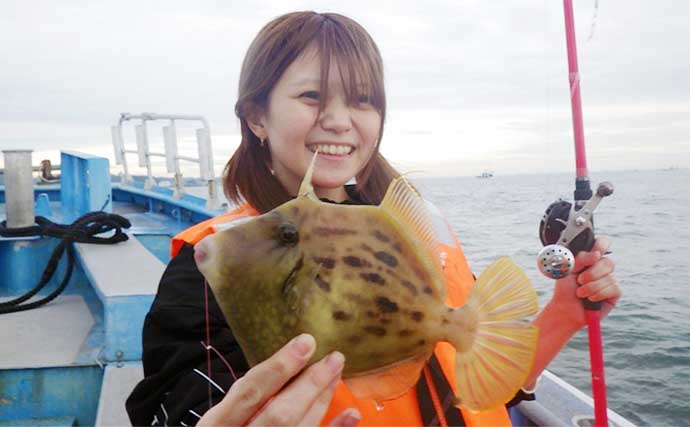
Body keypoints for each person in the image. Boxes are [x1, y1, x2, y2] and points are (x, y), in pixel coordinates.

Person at [126, 11, 621, 427]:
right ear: (257, 116)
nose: (340, 119)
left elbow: (485, 385)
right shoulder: (218, 263)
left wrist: (565, 312)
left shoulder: (416, 234)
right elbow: (181, 407)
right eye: (312, 97)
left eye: (363, 100)